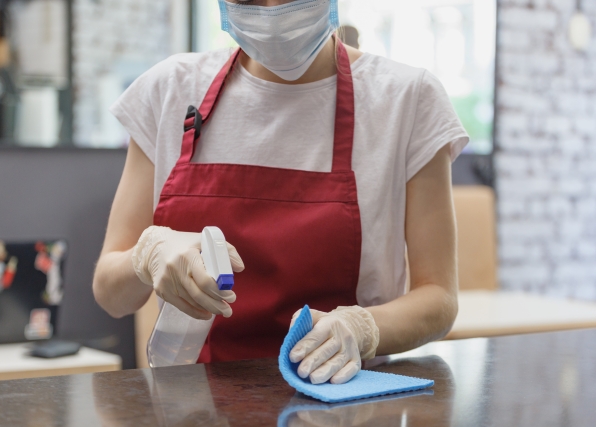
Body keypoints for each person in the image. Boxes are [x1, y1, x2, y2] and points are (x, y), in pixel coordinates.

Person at [93, 0, 468, 385]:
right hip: (193, 408)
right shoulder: (169, 90)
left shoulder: (407, 100)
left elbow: (438, 297)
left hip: (343, 401)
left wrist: (364, 326)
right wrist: (147, 254)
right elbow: (109, 292)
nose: (272, 9)